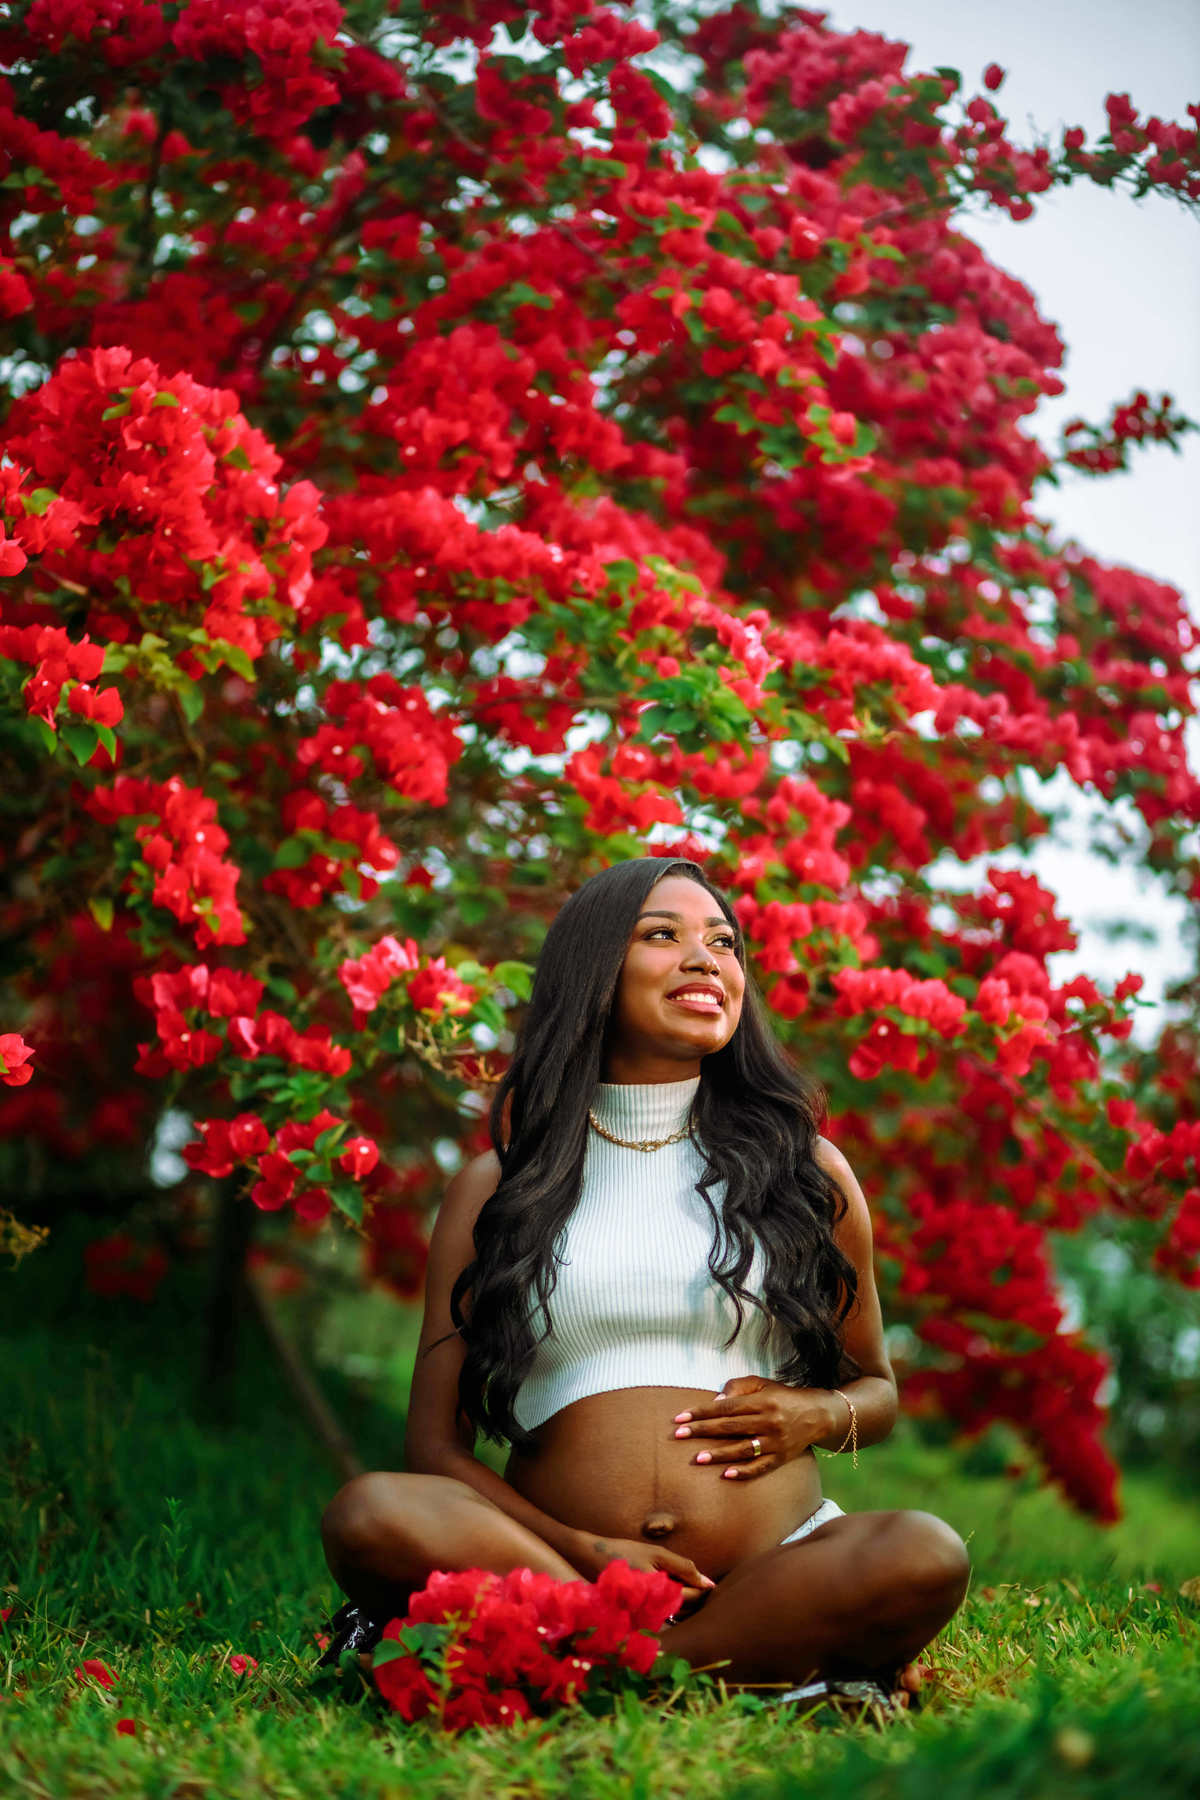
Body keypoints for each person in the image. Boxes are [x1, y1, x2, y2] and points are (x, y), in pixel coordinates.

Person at [320, 859, 970, 1703]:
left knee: (924, 1553)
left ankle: (616, 1666)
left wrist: (813, 1414)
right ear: (595, 971)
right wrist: (587, 1554)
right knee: (370, 1514)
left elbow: (875, 1391)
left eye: (723, 943)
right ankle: (719, 1667)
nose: (705, 959)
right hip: (560, 1566)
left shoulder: (807, 1173)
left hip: (770, 1562)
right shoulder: (500, 1185)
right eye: (662, 936)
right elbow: (434, 1449)